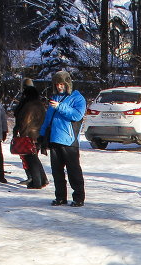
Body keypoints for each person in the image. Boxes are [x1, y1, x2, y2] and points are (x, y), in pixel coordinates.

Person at [38, 70, 86, 207]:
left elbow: (77, 115)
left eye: (62, 84)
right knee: (57, 171)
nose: (59, 87)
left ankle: (78, 197)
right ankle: (60, 197)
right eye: (57, 84)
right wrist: (42, 135)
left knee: (73, 170)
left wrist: (60, 107)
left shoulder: (78, 98)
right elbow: (48, 119)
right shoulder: (54, 98)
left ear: (68, 84)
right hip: (54, 139)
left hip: (69, 140)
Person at [12, 79, 48, 189]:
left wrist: (19, 133)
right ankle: (42, 180)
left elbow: (24, 122)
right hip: (38, 135)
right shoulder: (40, 104)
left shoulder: (28, 105)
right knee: (34, 158)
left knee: (31, 159)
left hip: (29, 135)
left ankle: (37, 182)